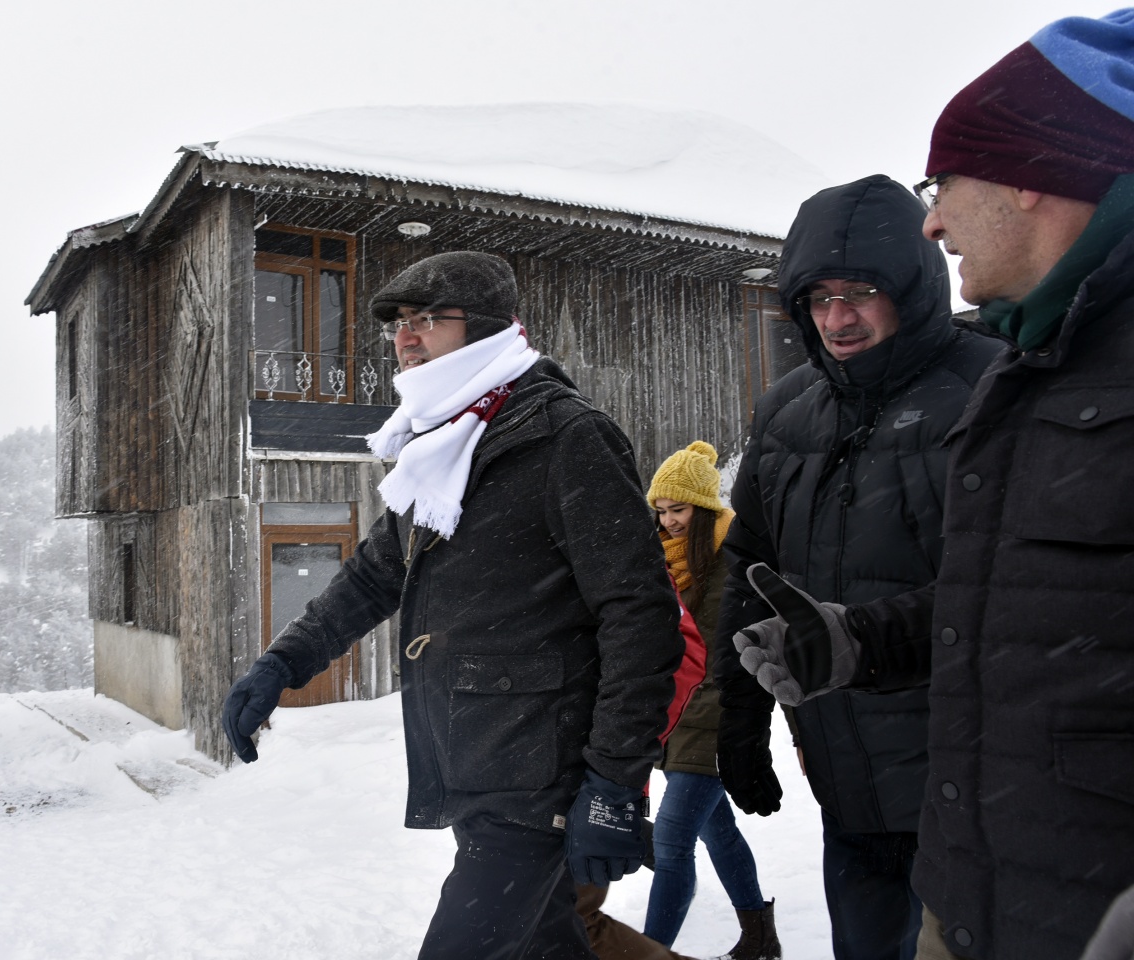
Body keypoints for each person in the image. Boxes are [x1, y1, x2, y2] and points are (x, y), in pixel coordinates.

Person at [729, 11, 1134, 960]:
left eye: (945, 185)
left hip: (1038, 848)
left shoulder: (991, 374)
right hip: (924, 817)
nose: (937, 220)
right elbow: (1007, 603)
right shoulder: (1041, 365)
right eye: (816, 298)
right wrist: (841, 647)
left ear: (1029, 176)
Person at [222, 251, 687, 960]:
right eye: (400, 325)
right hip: (476, 763)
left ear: (489, 329)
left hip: (540, 780)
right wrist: (283, 662)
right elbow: (377, 574)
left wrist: (613, 781)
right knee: (551, 948)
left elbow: (639, 613)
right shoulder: (443, 444)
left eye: (429, 320)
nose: (406, 337)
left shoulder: (567, 437)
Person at [710, 175, 1001, 960]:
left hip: (979, 783)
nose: (837, 319)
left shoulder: (994, 387)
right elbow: (748, 568)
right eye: (818, 298)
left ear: (911, 287)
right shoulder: (787, 410)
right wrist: (738, 715)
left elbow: (1022, 586)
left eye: (862, 293)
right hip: (848, 778)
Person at [643, 442, 778, 960]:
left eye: (678, 509)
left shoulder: (728, 563)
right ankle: (761, 940)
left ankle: (646, 953)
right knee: (717, 832)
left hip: (715, 713)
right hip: (678, 713)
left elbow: (729, 655)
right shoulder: (666, 562)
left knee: (672, 842)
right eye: (661, 510)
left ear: (704, 508)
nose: (669, 521)